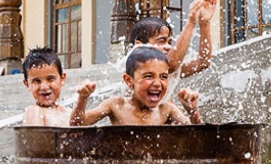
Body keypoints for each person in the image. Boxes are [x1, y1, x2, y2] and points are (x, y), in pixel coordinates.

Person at [70, 46, 202, 126]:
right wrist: (82, 99)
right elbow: (77, 124)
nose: (157, 83)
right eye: (148, 76)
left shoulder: (166, 109)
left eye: (163, 77)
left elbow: (200, 135)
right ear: (128, 80)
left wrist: (192, 110)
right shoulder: (116, 106)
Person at [129, 0, 217, 80]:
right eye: (161, 41)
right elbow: (170, 65)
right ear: (139, 46)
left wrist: (204, 23)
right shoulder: (137, 66)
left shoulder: (170, 68)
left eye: (169, 42)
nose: (168, 47)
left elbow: (202, 63)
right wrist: (191, 21)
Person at [21, 47, 71, 126]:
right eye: (37, 81)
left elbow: (81, 120)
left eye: (50, 79)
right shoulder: (34, 112)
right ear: (27, 84)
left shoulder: (67, 112)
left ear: (62, 79)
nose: (44, 87)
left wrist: (83, 98)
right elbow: (36, 137)